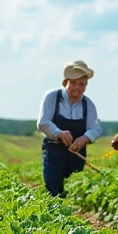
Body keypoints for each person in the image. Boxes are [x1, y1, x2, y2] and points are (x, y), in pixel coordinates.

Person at [38, 60, 103, 196]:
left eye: (81, 84)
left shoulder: (88, 105)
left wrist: (84, 138)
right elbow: (43, 122)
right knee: (53, 192)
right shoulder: (52, 97)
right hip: (54, 152)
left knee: (75, 192)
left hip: (77, 155)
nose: (77, 88)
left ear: (86, 85)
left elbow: (95, 128)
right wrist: (59, 133)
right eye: (73, 83)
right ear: (66, 82)